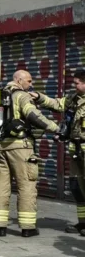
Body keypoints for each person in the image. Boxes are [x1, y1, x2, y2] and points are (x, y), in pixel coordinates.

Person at [0, 70, 61, 237]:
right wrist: (56, 128)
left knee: (0, 186)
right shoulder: (21, 95)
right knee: (26, 186)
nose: (31, 84)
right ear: (18, 80)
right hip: (20, 147)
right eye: (28, 81)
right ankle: (28, 227)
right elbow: (33, 115)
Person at [27, 69, 85, 235]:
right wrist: (39, 97)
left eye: (77, 83)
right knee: (76, 187)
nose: (74, 86)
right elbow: (57, 104)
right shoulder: (74, 99)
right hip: (76, 150)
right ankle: (83, 223)